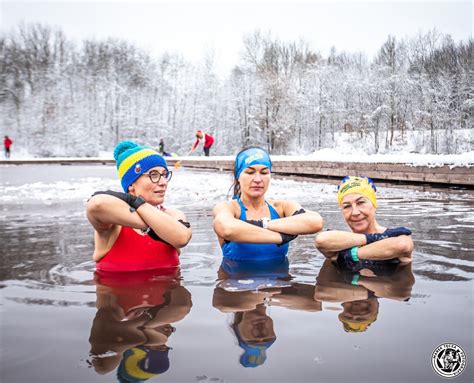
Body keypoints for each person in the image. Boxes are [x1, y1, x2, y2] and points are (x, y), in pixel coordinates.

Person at [86, 140, 192, 272]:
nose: (163, 182)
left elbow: (181, 237)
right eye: (154, 175)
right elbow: (97, 204)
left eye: (164, 175)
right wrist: (134, 204)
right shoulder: (114, 225)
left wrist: (137, 204)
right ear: (131, 185)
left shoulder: (173, 215)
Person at [213, 146, 323, 261]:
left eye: (264, 172)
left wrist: (265, 224)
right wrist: (280, 237)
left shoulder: (281, 208)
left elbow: (315, 222)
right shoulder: (229, 208)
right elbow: (225, 227)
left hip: (280, 278)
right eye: (250, 172)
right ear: (238, 176)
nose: (258, 179)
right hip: (237, 278)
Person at [88, 268, 192, 380]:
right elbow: (181, 302)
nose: (167, 334)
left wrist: (141, 324)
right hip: (162, 266)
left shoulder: (114, 310)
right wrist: (149, 321)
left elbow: (102, 367)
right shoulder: (171, 308)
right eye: (165, 347)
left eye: (155, 346)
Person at [315, 176, 414, 272]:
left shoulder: (394, 236)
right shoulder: (339, 241)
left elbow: (403, 245)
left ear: (374, 205)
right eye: (347, 206)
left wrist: (350, 254)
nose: (355, 212)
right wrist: (375, 238)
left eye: (361, 203)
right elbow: (321, 240)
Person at [314, 258, 414, 333]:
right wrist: (371, 293)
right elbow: (406, 258)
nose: (356, 311)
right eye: (361, 318)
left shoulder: (335, 283)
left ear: (343, 305)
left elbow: (331, 258)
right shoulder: (395, 290)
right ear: (377, 308)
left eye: (348, 315)